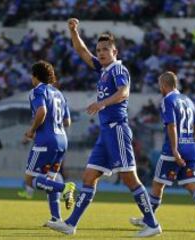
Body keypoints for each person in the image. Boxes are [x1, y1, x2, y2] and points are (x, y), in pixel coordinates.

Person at [47, 18, 161, 237]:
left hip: (117, 128)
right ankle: (71, 224)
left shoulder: (118, 70)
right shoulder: (104, 70)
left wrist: (102, 103)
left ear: (115, 51)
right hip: (105, 132)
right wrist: (74, 31)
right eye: (98, 50)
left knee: (129, 179)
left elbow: (124, 93)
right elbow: (81, 51)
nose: (100, 53)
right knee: (89, 177)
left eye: (105, 50)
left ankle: (153, 224)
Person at [129, 71, 195, 232]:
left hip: (173, 149)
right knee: (192, 185)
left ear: (163, 85)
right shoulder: (189, 101)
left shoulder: (167, 100)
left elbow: (171, 125)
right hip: (190, 147)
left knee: (157, 185)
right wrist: (187, 143)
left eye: (160, 85)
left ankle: (148, 220)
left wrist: (175, 150)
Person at [19, 60, 76, 225]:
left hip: (45, 140)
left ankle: (65, 188)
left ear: (35, 76)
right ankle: (56, 218)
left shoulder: (37, 91)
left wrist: (32, 130)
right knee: (49, 179)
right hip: (62, 140)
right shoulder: (59, 94)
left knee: (31, 180)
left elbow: (42, 111)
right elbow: (67, 121)